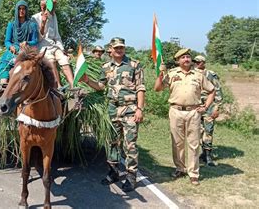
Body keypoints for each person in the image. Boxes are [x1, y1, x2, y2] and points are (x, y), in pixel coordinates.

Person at [79, 37, 145, 192]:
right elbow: (101, 86)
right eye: (116, 48)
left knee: (130, 145)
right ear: (111, 49)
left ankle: (130, 177)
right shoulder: (106, 66)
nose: (119, 50)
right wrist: (87, 80)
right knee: (112, 143)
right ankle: (113, 172)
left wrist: (139, 109)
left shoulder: (134, 65)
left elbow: (141, 88)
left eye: (121, 47)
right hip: (112, 110)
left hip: (129, 109)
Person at [154, 48, 215, 186]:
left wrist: (205, 106)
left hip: (193, 112)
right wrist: (160, 75)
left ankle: (193, 173)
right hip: (175, 111)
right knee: (177, 142)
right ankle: (180, 169)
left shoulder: (198, 75)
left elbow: (212, 90)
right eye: (183, 57)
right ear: (178, 61)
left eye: (188, 57)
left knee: (193, 143)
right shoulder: (171, 74)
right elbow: (157, 89)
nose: (186, 59)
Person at [32, 0, 74, 88]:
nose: (48, 9)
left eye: (50, 7)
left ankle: (73, 85)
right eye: (44, 6)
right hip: (42, 46)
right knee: (51, 61)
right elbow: (38, 38)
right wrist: (43, 23)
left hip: (54, 46)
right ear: (41, 7)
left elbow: (57, 36)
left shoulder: (53, 16)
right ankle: (58, 86)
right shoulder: (35, 18)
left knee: (64, 59)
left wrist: (62, 49)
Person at [0, 0, 38, 84]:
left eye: (23, 9)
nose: (21, 11)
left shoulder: (32, 25)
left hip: (27, 50)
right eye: (19, 9)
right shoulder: (11, 25)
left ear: (26, 10)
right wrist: (10, 46)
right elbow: (7, 41)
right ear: (16, 10)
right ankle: (3, 85)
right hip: (13, 50)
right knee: (4, 64)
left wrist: (27, 42)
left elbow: (35, 41)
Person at [193, 55, 223, 166]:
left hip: (209, 106)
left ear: (203, 63)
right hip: (195, 105)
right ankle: (200, 153)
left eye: (198, 62)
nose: (196, 63)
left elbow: (218, 90)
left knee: (208, 130)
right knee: (197, 130)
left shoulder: (211, 74)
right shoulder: (192, 74)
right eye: (195, 62)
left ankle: (207, 155)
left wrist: (217, 107)